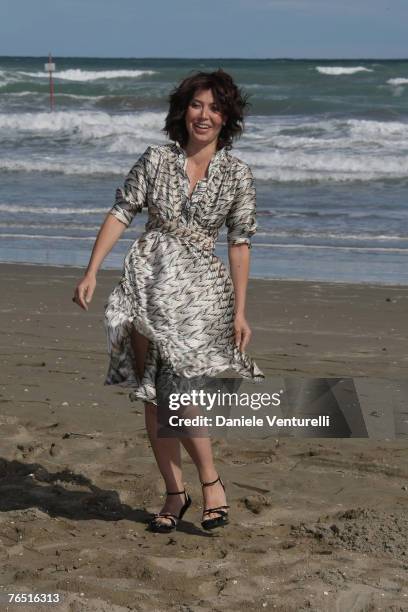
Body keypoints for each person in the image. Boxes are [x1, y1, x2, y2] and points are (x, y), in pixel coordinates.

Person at [73, 69, 264, 533]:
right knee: (155, 394)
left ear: (226, 118)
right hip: (148, 281)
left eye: (215, 108)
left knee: (179, 387)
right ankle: (175, 494)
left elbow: (240, 242)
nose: (204, 115)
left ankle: (211, 481)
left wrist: (240, 310)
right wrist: (92, 269)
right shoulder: (157, 159)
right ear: (184, 110)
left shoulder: (237, 174)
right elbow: (123, 210)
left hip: (201, 288)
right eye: (197, 105)